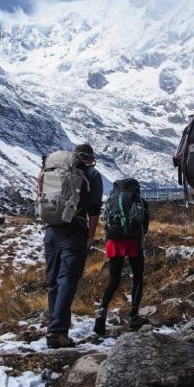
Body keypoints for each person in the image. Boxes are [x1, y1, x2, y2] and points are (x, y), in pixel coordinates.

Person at [43, 143, 103, 348]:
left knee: (53, 281)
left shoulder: (54, 170)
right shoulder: (92, 174)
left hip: (51, 230)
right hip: (75, 229)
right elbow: (94, 209)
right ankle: (57, 332)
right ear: (89, 158)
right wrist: (91, 234)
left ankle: (54, 328)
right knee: (67, 279)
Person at [94, 179, 151, 335]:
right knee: (138, 277)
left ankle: (101, 311)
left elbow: (105, 220)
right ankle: (134, 315)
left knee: (114, 279)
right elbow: (144, 227)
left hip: (114, 241)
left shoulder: (112, 199)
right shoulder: (140, 201)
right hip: (132, 241)